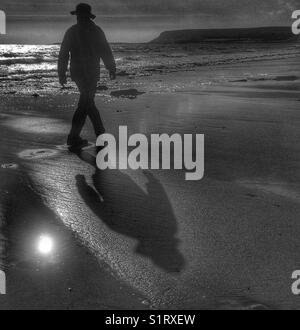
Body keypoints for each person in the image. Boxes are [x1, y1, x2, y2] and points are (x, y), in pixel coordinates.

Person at [58, 3, 116, 151]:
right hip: (86, 73)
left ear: (83, 16)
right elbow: (64, 54)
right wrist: (61, 72)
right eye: (77, 16)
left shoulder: (76, 31)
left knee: (87, 103)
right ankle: (86, 136)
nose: (78, 18)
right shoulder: (93, 31)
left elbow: (105, 50)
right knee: (87, 103)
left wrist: (111, 67)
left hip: (84, 73)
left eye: (79, 16)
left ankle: (77, 137)